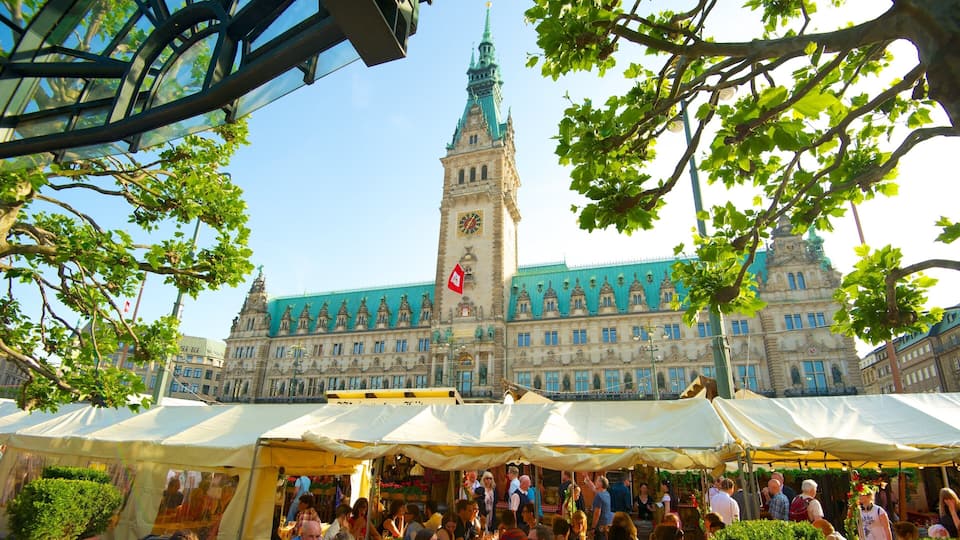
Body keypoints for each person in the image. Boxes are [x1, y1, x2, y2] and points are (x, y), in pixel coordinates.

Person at [591, 476, 614, 540]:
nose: (595, 482)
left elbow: (597, 513)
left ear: (600, 483)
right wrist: (586, 478)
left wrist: (593, 527)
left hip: (600, 525)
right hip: (608, 523)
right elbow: (593, 488)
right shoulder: (607, 494)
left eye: (597, 481)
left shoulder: (598, 496)